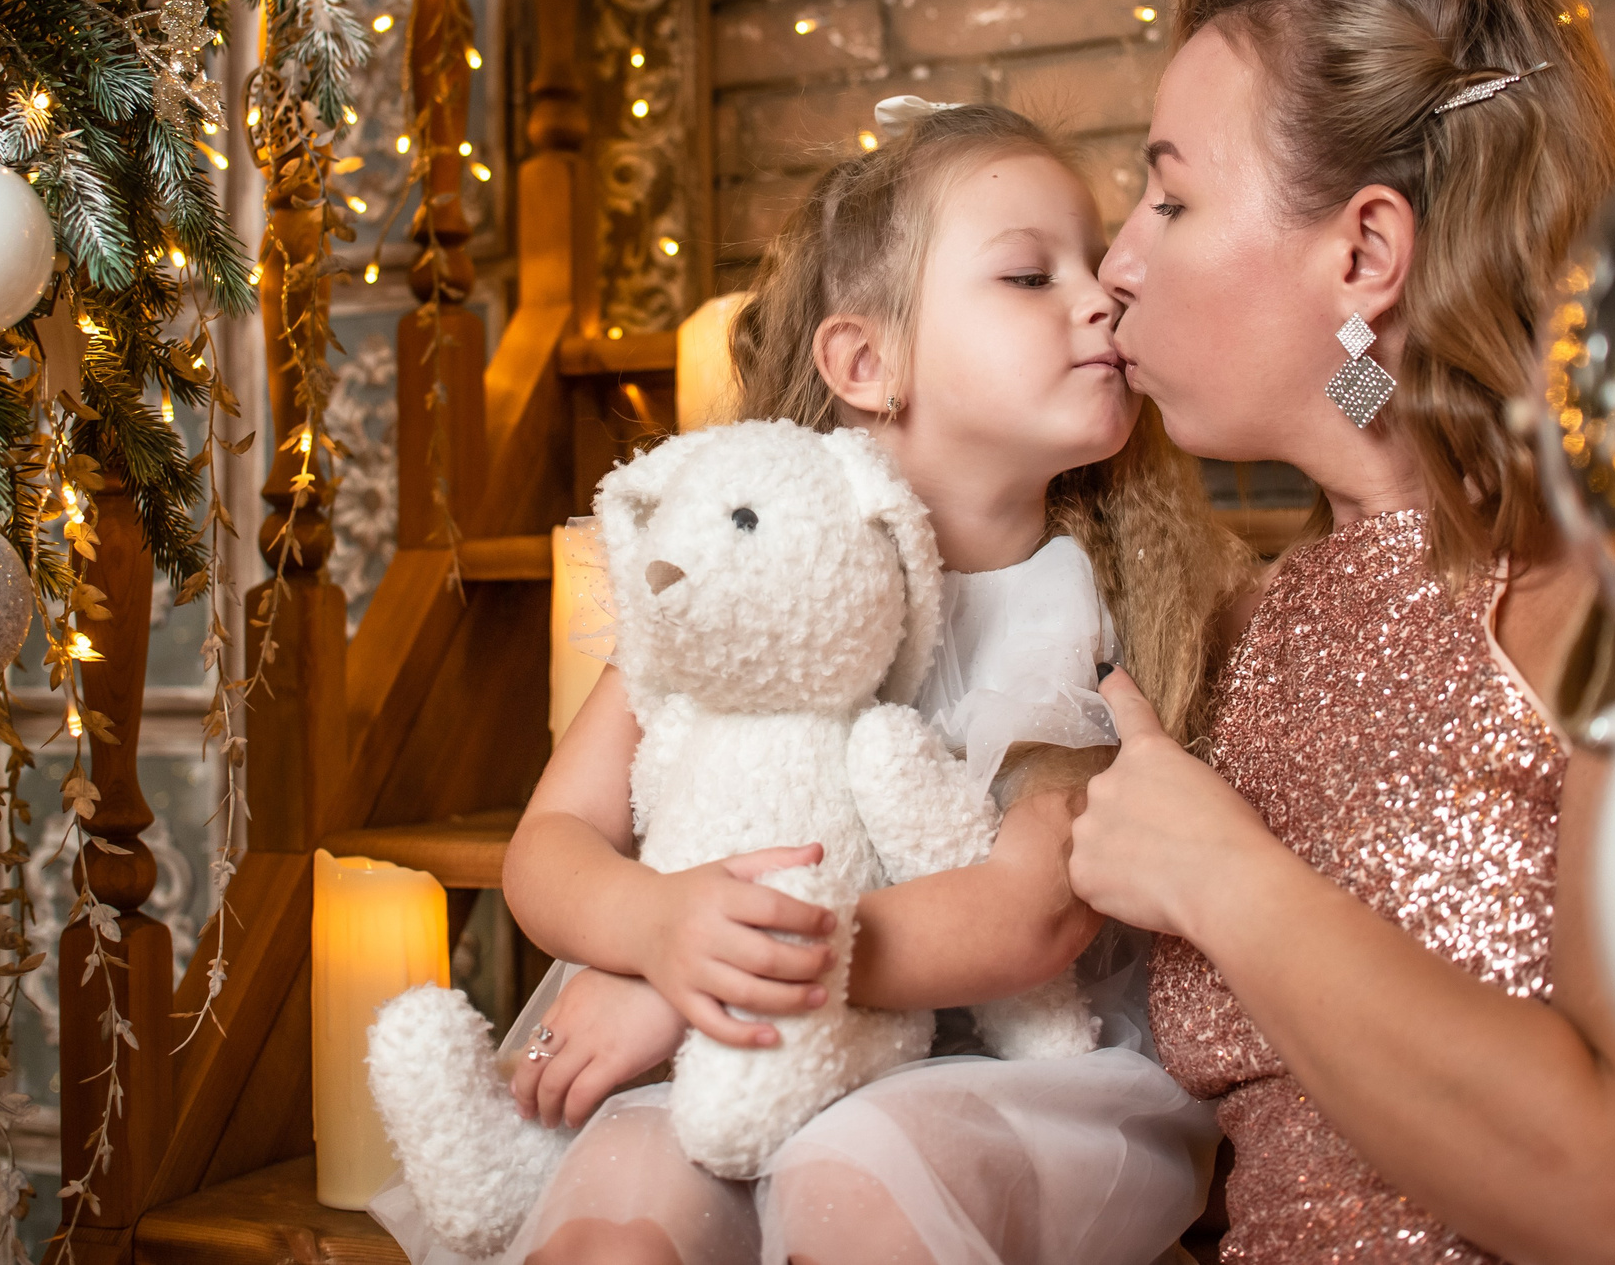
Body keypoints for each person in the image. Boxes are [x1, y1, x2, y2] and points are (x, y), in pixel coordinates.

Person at [383, 102, 1244, 1265]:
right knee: (618, 1209)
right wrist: (654, 929)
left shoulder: (1077, 606)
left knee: (867, 1184)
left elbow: (1031, 909)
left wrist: (721, 983)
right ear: (863, 361)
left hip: (990, 1071)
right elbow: (553, 841)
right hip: (734, 1053)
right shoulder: (743, 582)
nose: (1100, 296)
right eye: (1030, 275)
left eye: (1092, 264)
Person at [1068, 0, 1615, 1263]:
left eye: (1169, 201)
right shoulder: (1245, 631)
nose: (1116, 264)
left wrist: (1223, 874)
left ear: (1365, 256)